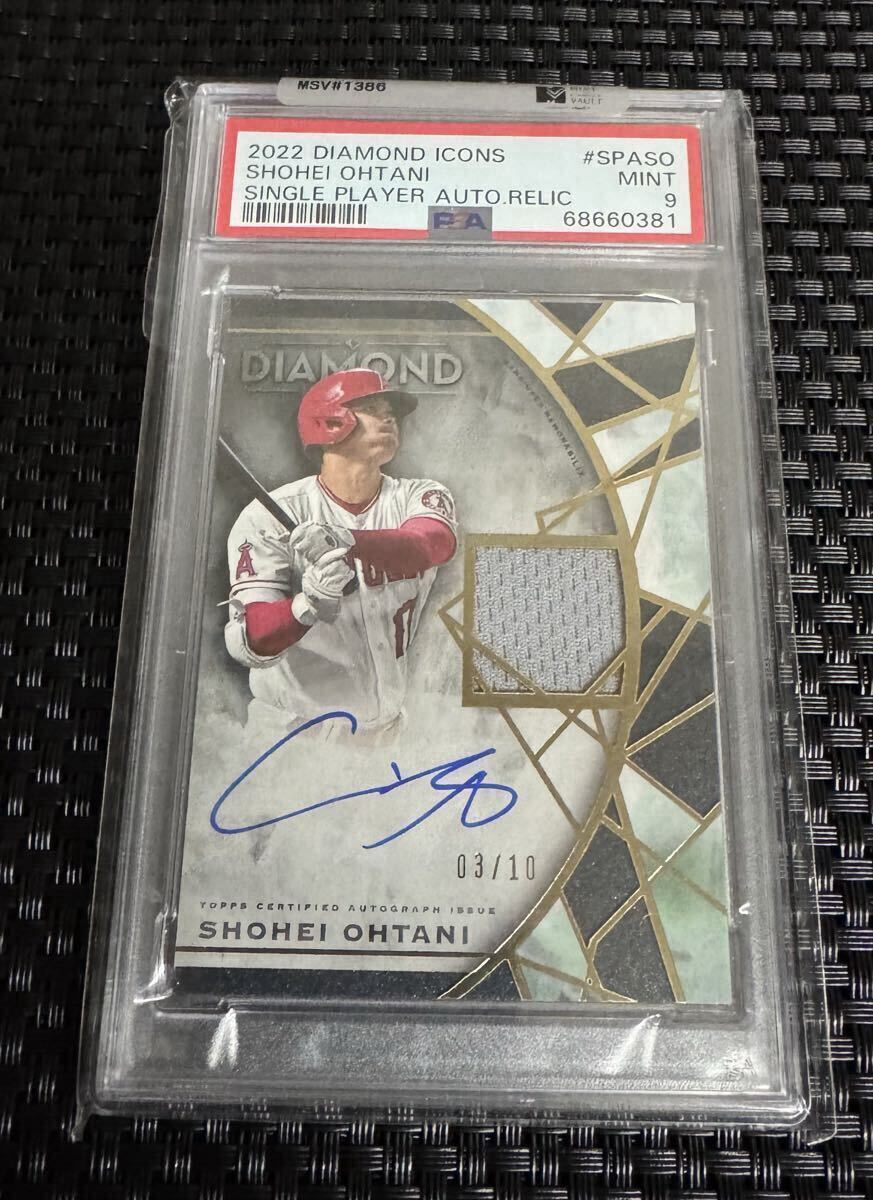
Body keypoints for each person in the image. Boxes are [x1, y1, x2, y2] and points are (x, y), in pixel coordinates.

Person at [224, 368, 457, 735]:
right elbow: (248, 641)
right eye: (372, 408)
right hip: (291, 737)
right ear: (328, 421)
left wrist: (346, 541)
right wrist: (307, 606)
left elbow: (432, 544)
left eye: (391, 411)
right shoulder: (266, 516)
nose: (389, 419)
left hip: (388, 734)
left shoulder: (417, 495)